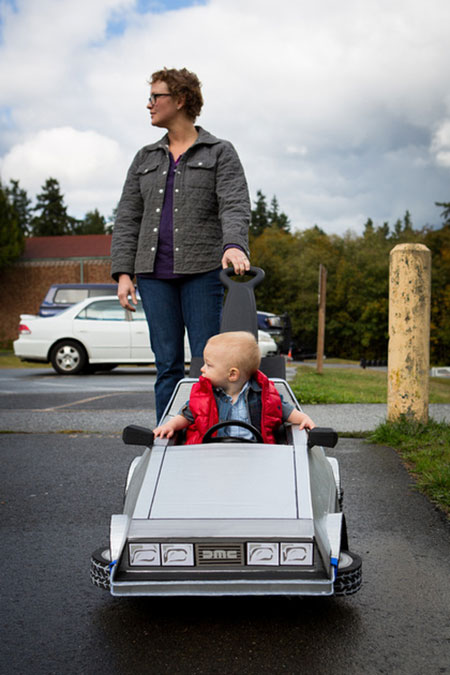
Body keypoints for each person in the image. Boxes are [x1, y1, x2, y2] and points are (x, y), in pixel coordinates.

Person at [111, 68, 251, 422]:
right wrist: (123, 273)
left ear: (181, 99)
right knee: (166, 365)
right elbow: (127, 217)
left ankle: (212, 434)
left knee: (212, 364)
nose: (149, 104)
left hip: (202, 271)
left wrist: (234, 245)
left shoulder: (220, 152)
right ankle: (167, 438)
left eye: (156, 97)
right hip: (153, 275)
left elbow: (234, 203)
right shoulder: (145, 158)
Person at [153, 331, 315, 444]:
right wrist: (170, 426)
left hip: (255, 453)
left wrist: (303, 419)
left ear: (232, 374)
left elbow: (284, 411)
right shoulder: (203, 395)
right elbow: (187, 415)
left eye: (208, 365)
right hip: (212, 453)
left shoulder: (264, 395)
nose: (202, 369)